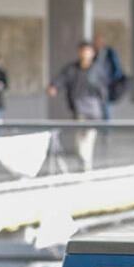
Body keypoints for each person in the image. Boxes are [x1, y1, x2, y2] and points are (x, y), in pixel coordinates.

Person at [48, 40, 108, 171]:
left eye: (88, 51)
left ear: (92, 53)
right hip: (79, 108)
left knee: (89, 136)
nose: (85, 54)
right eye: (83, 51)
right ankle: (84, 161)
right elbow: (61, 78)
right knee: (80, 137)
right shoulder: (72, 69)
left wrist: (103, 105)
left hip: (94, 109)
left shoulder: (98, 70)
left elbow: (104, 89)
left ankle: (86, 162)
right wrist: (54, 87)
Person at [93, 32, 128, 119]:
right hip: (95, 84)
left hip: (106, 84)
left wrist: (112, 81)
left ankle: (105, 129)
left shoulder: (109, 52)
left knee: (105, 107)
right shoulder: (93, 53)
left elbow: (116, 68)